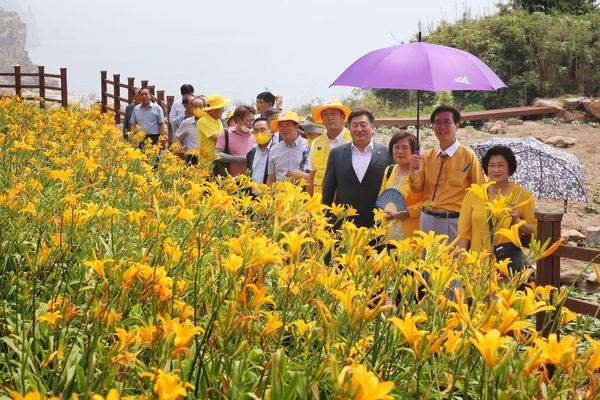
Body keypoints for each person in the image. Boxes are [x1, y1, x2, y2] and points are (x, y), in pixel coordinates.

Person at [409, 106, 485, 242]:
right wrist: (413, 169)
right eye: (437, 122)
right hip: (427, 219)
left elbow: (480, 190)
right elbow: (416, 188)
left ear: (457, 126)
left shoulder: (468, 156)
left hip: (455, 220)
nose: (442, 126)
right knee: (427, 261)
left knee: (453, 262)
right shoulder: (426, 156)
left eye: (447, 122)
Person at [457, 145, 536, 257]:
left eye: (501, 165)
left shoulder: (523, 195)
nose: (496, 170)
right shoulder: (475, 192)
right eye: (491, 165)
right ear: (486, 169)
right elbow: (464, 232)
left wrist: (517, 220)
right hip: (478, 264)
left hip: (506, 266)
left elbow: (534, 230)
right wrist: (461, 259)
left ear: (510, 168)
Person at [321, 108, 394, 229]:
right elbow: (328, 189)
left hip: (377, 221)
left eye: (363, 125)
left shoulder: (388, 153)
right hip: (344, 221)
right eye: (354, 125)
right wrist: (325, 219)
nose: (359, 129)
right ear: (349, 129)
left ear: (372, 127)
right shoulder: (337, 153)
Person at [379, 131, 424, 239]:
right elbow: (381, 196)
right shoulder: (389, 170)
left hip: (412, 232)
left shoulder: (421, 172)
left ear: (414, 151)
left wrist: (409, 212)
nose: (400, 151)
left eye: (405, 148)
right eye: (396, 147)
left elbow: (429, 201)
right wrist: (384, 212)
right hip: (389, 233)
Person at [306, 100, 352, 196]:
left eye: (334, 113)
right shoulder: (316, 142)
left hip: (344, 201)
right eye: (325, 114)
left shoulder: (353, 141)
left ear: (343, 117)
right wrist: (308, 203)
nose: (330, 118)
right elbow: (312, 176)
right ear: (322, 119)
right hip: (320, 202)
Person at [266, 111, 309, 185]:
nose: (284, 129)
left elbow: (316, 176)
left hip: (302, 194)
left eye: (288, 125)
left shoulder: (309, 146)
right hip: (280, 194)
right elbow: (271, 177)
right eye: (281, 126)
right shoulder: (274, 150)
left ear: (297, 126)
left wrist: (303, 176)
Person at [215, 105, 257, 177]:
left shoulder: (256, 133)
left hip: (253, 180)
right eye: (248, 120)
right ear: (239, 120)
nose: (251, 123)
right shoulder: (226, 133)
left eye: (253, 120)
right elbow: (217, 155)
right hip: (232, 182)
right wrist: (236, 159)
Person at [173, 96, 206, 165]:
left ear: (204, 107)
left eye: (200, 106)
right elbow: (176, 136)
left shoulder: (209, 121)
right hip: (193, 157)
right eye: (195, 107)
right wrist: (180, 148)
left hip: (207, 156)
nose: (198, 109)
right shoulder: (187, 122)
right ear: (192, 108)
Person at [197, 93, 230, 160]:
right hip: (207, 160)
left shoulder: (218, 121)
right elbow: (218, 138)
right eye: (221, 108)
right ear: (214, 109)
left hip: (217, 159)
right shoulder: (203, 121)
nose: (223, 110)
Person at [246, 117, 275, 193]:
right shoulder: (251, 153)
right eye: (256, 131)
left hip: (269, 196)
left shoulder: (277, 151)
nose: (259, 133)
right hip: (252, 196)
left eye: (262, 130)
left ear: (271, 132)